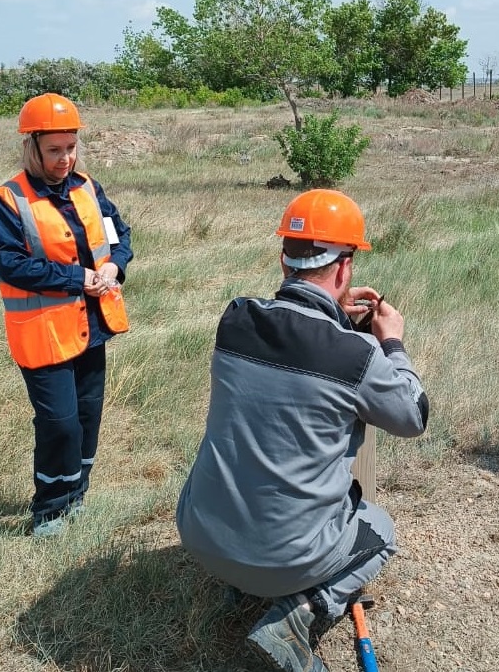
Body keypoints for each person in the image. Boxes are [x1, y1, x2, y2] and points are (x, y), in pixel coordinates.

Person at [176, 189, 429, 672]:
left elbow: (298, 349)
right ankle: (299, 615)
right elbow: (412, 416)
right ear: (344, 267)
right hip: (283, 561)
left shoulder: (234, 319)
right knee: (380, 529)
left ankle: (239, 584)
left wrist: (336, 316)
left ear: (284, 261)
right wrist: (390, 342)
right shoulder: (357, 356)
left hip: (201, 537)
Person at [0, 93, 132, 537]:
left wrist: (114, 265)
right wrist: (79, 279)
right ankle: (50, 510)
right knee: (60, 424)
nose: (64, 158)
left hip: (93, 326)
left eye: (70, 147)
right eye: (54, 150)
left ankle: (77, 497)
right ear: (32, 147)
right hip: (43, 334)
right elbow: (13, 264)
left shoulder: (87, 186)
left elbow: (119, 234)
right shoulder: (8, 201)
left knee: (88, 418)